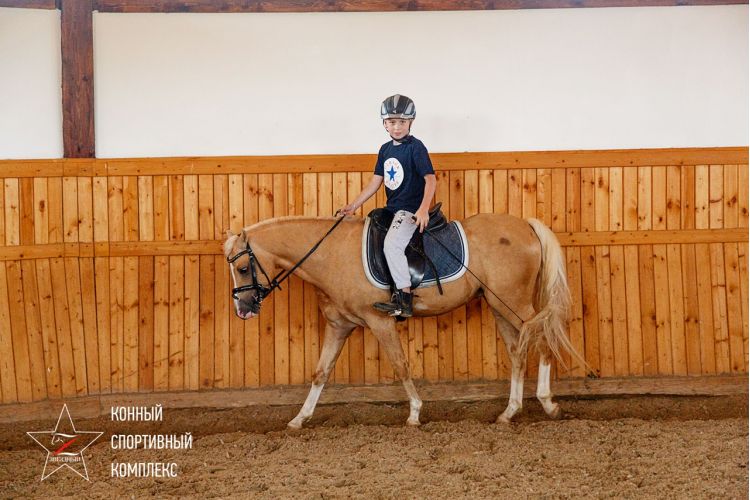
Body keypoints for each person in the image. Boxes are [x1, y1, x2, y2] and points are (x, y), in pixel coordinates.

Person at [339, 94, 437, 318]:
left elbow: (430, 179)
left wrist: (422, 209)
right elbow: (376, 182)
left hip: (410, 209)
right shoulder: (385, 150)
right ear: (384, 124)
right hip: (392, 209)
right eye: (392, 122)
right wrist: (354, 205)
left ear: (410, 122)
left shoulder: (416, 147)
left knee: (392, 245)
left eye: (402, 122)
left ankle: (404, 298)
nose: (397, 126)